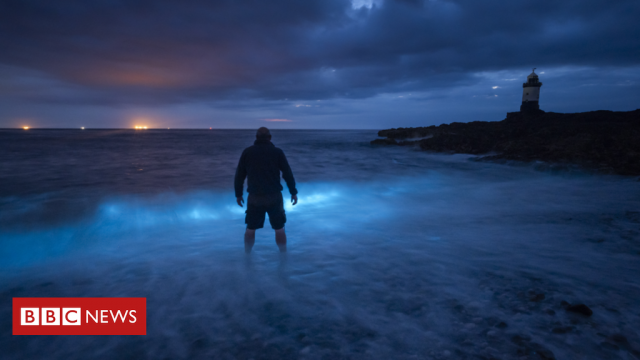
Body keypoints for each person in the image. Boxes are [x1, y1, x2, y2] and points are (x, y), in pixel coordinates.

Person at [234, 127, 298, 253]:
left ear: (256, 138)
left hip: (255, 197)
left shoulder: (248, 152)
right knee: (279, 228)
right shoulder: (277, 152)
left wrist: (238, 194)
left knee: (250, 228)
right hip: (274, 196)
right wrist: (293, 192)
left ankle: (247, 255)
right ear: (270, 137)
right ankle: (283, 256)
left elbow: (240, 175)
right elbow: (287, 173)